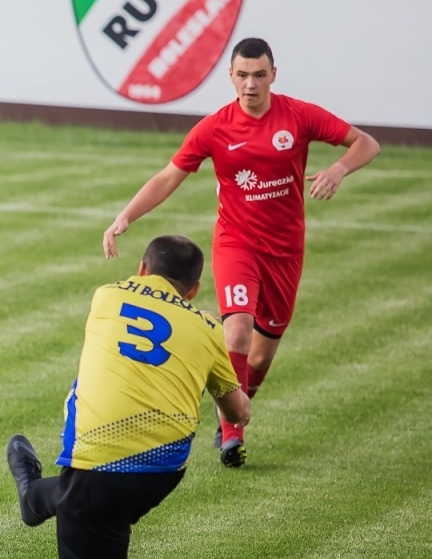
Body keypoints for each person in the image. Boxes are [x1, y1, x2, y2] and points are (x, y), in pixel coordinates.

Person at [6, 235, 249, 559]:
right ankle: (37, 499)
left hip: (98, 467)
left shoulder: (106, 296)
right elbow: (236, 410)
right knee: (98, 521)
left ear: (141, 267)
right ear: (194, 287)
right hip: (163, 473)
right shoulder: (208, 326)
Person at [102, 37, 379, 467]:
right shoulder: (215, 127)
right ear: (231, 76)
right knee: (236, 333)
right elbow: (169, 176)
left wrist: (339, 169)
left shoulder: (299, 116)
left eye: (259, 75)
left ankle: (233, 408)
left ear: (273, 75)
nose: (251, 84)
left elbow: (366, 143)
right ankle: (233, 435)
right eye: (243, 75)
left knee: (262, 354)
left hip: (285, 251)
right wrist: (125, 216)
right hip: (237, 243)